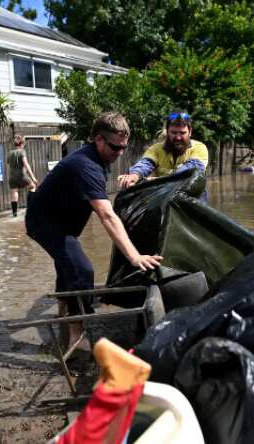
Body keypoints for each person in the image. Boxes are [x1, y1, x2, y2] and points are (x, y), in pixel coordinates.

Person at [25, 112, 163, 348]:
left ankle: (62, 312)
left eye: (123, 147)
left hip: (63, 222)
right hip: (45, 223)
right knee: (81, 271)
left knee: (67, 263)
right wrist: (134, 256)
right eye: (115, 147)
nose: (119, 153)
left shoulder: (101, 159)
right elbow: (106, 215)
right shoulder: (85, 164)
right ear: (98, 139)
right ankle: (77, 337)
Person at [117, 111, 209, 190]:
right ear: (167, 132)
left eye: (182, 133)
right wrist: (135, 175)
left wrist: (156, 180)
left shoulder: (199, 148)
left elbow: (190, 172)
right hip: (163, 198)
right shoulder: (156, 149)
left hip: (192, 199)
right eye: (174, 132)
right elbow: (146, 163)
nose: (178, 137)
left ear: (190, 132)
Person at [8, 135, 38, 217]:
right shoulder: (22, 151)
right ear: (22, 144)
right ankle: (31, 207)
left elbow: (8, 165)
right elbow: (26, 164)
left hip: (12, 177)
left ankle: (14, 213)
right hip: (22, 175)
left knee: (14, 192)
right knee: (33, 186)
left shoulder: (10, 153)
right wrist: (33, 177)